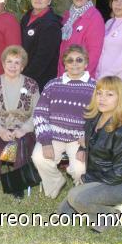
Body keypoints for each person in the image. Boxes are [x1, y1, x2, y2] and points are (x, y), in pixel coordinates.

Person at [57, 76, 122, 233]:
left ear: (120, 98)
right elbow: (91, 142)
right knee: (64, 212)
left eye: (109, 94)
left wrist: (87, 180)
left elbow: (120, 172)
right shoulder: (94, 118)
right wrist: (82, 150)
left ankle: (112, 214)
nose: (102, 98)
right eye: (99, 93)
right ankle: (108, 205)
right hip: (99, 176)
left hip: (121, 183)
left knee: (76, 198)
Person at [32, 45, 96, 199]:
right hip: (53, 137)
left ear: (86, 63)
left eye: (79, 60)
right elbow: (40, 113)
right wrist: (46, 142)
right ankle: (56, 182)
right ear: (64, 64)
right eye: (70, 60)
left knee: (80, 169)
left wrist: (85, 142)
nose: (74, 64)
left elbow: (98, 118)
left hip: (79, 140)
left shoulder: (95, 87)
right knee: (38, 157)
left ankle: (80, 195)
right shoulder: (53, 84)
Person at [0, 45, 40, 199]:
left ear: (22, 66)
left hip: (23, 129)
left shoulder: (32, 85)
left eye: (17, 62)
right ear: (3, 64)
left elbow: (38, 112)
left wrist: (24, 129)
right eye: (9, 62)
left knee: (20, 145)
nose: (12, 66)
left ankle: (16, 182)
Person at [58, 0, 105, 78]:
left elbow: (94, 53)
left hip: (80, 76)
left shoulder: (94, 18)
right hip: (64, 73)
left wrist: (80, 77)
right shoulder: (68, 16)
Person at [21, 0, 62, 91]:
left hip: (39, 80)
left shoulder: (52, 24)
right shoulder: (26, 17)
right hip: (22, 74)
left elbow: (43, 58)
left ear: (49, 1)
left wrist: (26, 79)